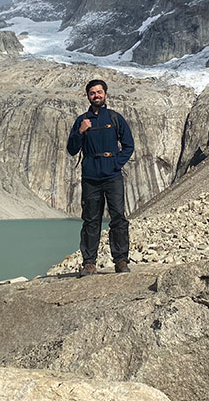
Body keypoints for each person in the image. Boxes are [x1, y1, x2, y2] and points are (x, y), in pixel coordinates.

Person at [67, 79, 134, 276]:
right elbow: (72, 149)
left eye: (99, 92)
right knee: (90, 220)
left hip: (112, 176)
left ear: (105, 94)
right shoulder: (81, 120)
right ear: (88, 96)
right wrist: (80, 132)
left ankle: (121, 260)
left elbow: (128, 145)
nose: (96, 95)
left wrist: (116, 163)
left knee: (118, 218)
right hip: (90, 177)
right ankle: (89, 262)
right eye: (92, 93)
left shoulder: (115, 118)